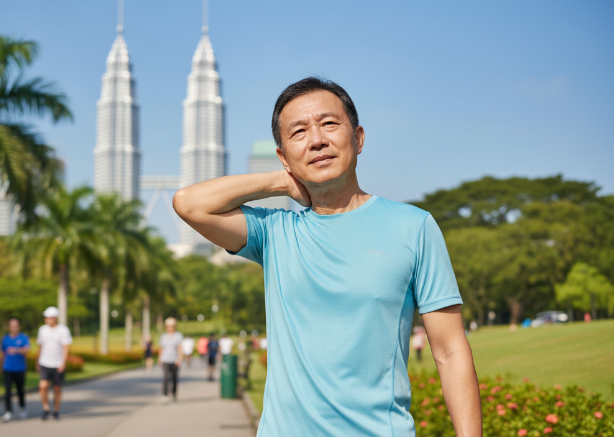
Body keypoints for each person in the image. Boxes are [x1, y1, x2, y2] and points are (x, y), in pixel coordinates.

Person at [173, 77, 482, 436]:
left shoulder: (414, 227)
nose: (317, 140)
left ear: (359, 138)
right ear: (283, 155)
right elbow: (189, 204)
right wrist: (281, 182)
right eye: (298, 132)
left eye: (329, 124)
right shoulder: (275, 232)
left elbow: (450, 351)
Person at [36, 306, 72, 421]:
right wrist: (37, 361)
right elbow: (40, 346)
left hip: (57, 364)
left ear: (54, 318)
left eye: (48, 317)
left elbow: (66, 347)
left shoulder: (63, 330)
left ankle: (56, 410)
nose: (46, 319)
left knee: (57, 388)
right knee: (43, 385)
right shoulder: (42, 330)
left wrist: (63, 362)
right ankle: (46, 407)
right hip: (45, 362)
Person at [0, 317, 30, 422]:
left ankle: (22, 409)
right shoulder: (5, 339)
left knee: (20, 390)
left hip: (20, 368)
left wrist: (16, 350)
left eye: (16, 326)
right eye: (12, 326)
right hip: (7, 368)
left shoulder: (23, 337)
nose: (14, 328)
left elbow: (27, 350)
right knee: (7, 391)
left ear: (18, 327)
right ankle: (8, 412)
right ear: (9, 327)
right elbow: (2, 354)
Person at [158, 317, 183, 403]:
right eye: (168, 326)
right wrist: (159, 358)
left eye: (172, 326)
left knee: (174, 378)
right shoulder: (163, 336)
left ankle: (174, 393)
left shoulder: (178, 335)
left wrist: (179, 358)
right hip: (165, 359)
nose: (170, 327)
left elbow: (180, 348)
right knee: (165, 377)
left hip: (174, 360)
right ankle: (164, 394)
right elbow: (161, 348)